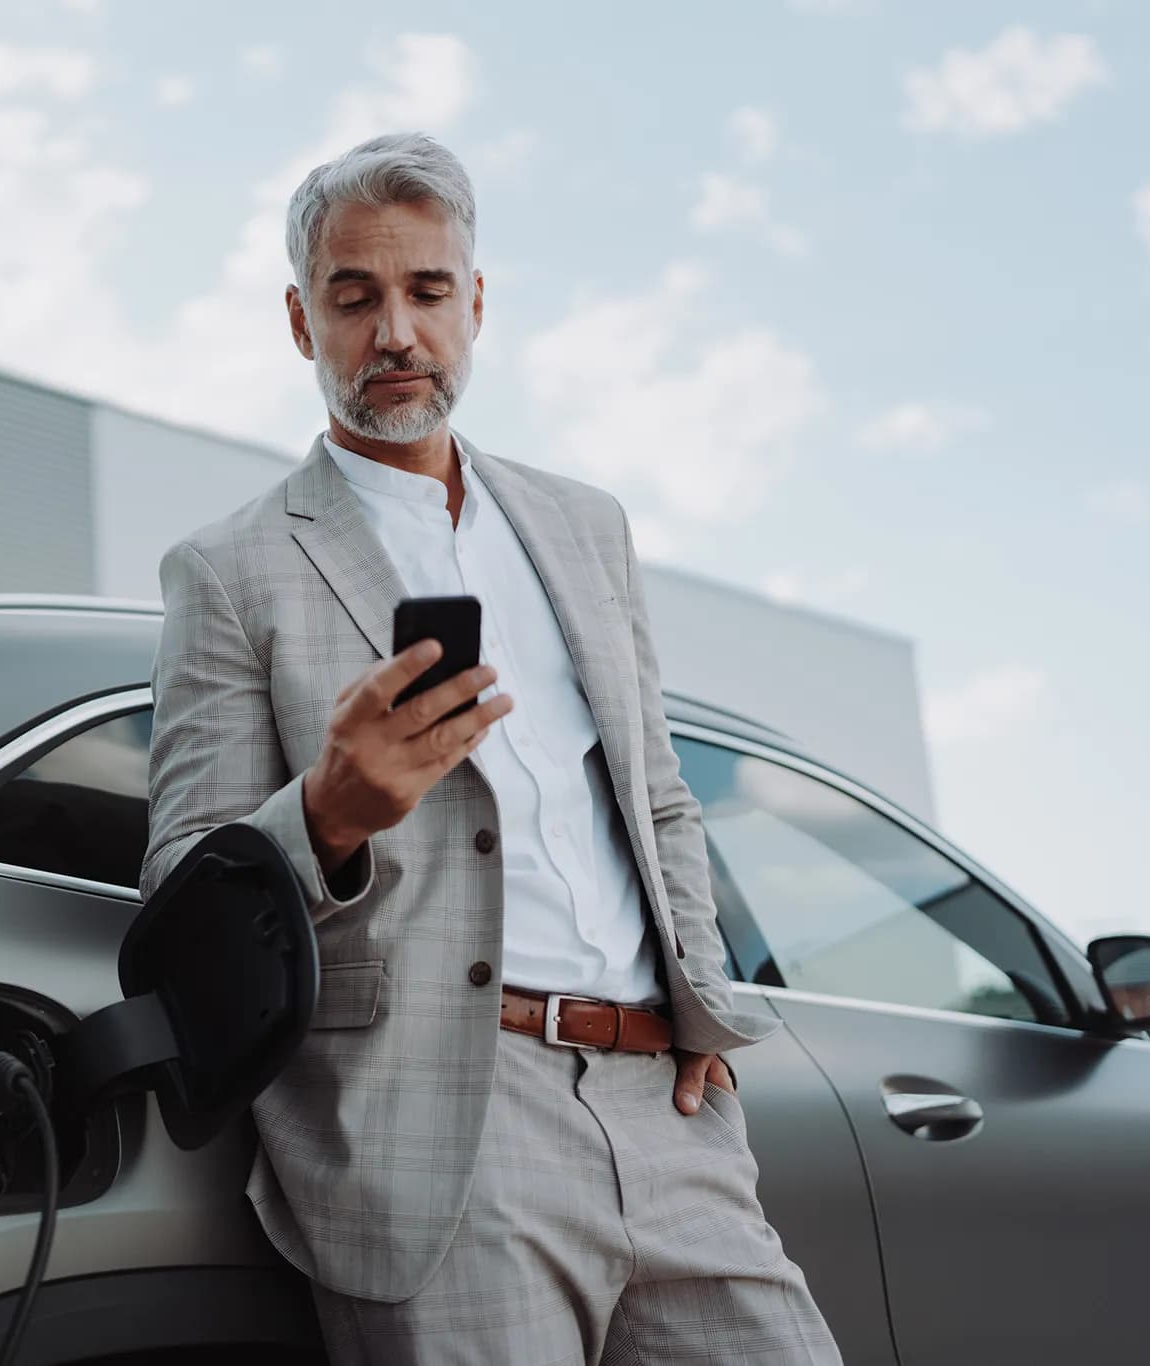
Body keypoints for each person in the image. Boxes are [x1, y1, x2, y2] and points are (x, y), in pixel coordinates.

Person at [140, 132, 840, 1365]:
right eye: (352, 298)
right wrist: (329, 811)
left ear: (475, 303)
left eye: (424, 292)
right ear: (302, 325)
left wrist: (704, 1017)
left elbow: (656, 797)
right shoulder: (229, 569)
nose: (393, 332)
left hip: (662, 1108)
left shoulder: (583, 526)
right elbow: (182, 891)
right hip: (439, 1137)